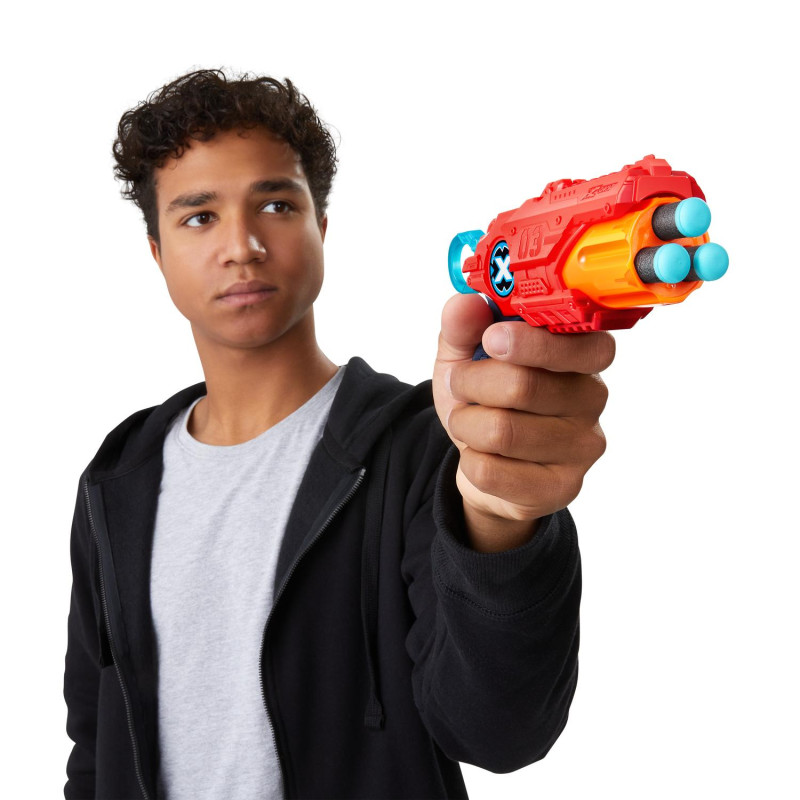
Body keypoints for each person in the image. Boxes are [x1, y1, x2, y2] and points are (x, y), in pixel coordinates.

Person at [63, 69, 613, 800]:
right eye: (199, 217)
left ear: (321, 226)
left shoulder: (428, 449)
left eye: (276, 205)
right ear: (157, 252)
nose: (242, 246)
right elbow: (94, 742)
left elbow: (500, 732)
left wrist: (499, 521)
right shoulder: (119, 474)